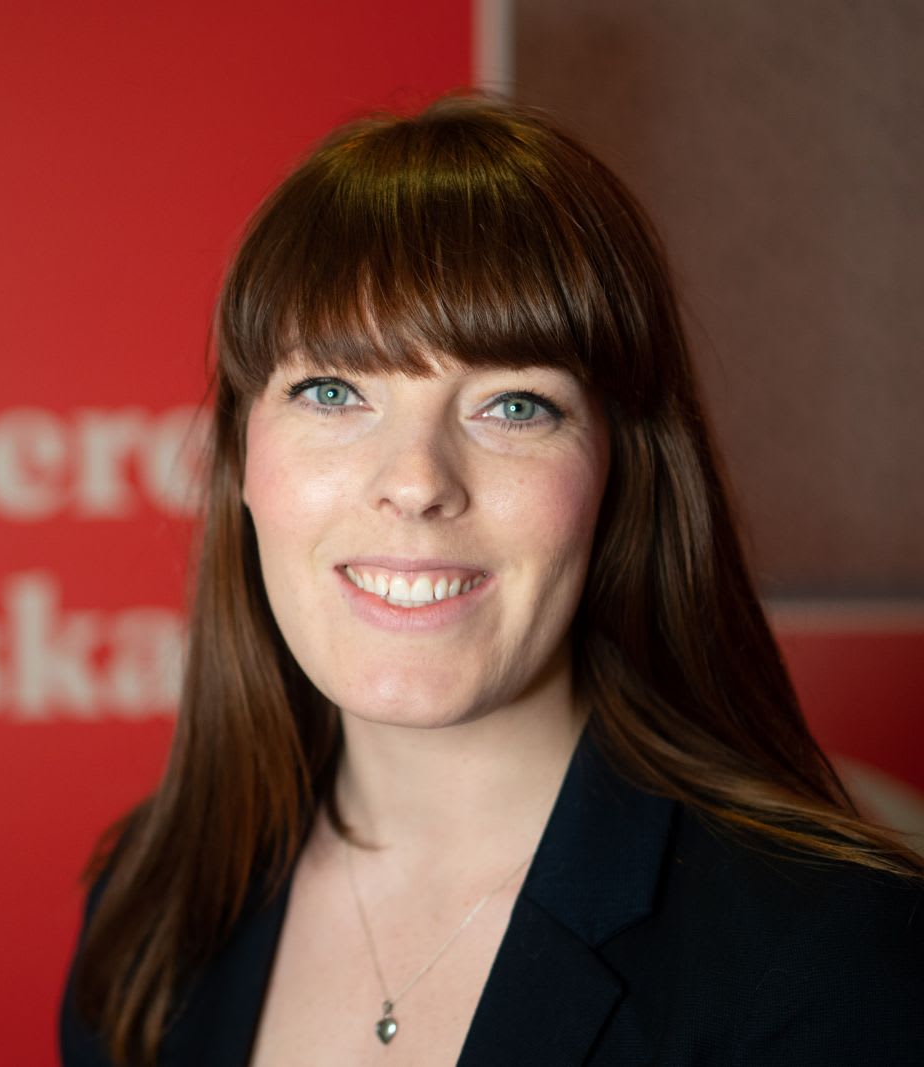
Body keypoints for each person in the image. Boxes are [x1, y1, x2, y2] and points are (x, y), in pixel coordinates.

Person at [57, 97, 924, 1067]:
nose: (416, 481)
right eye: (333, 391)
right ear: (242, 462)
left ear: (620, 475)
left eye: (513, 405)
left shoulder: (832, 964)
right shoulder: (150, 916)